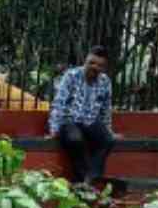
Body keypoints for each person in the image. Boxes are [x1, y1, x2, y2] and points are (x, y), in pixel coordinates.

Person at [47, 46, 123, 185]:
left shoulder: (105, 81)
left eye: (99, 65)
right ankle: (85, 178)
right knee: (75, 139)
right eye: (91, 63)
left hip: (90, 121)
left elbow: (106, 109)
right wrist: (54, 128)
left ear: (103, 68)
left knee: (108, 140)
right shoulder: (71, 75)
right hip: (69, 121)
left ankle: (93, 177)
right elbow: (59, 102)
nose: (94, 67)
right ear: (86, 61)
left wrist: (108, 130)